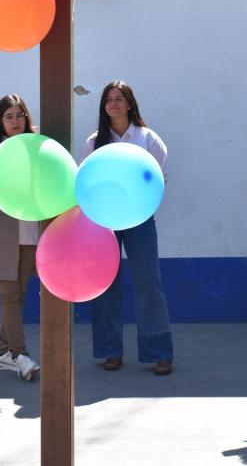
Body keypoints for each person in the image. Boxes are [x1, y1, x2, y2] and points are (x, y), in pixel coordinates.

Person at [80, 80, 174, 376]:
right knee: (105, 284)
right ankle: (111, 350)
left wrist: (139, 208)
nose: (114, 104)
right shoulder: (95, 142)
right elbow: (86, 183)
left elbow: (159, 179)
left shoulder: (147, 139)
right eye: (109, 99)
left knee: (148, 281)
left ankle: (159, 352)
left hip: (140, 220)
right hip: (104, 223)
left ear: (130, 103)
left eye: (119, 98)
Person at [0, 94, 41, 381]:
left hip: (29, 230)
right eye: (9, 117)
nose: (16, 121)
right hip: (1, 232)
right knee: (8, 296)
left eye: (20, 115)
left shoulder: (37, 147)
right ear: (0, 121)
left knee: (19, 294)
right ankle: (19, 354)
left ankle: (1, 354)